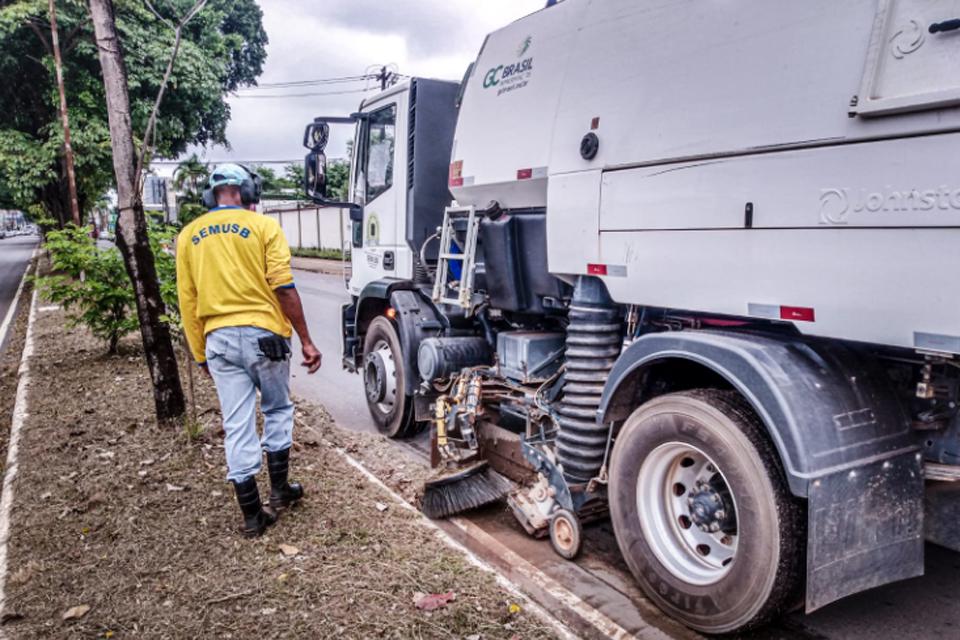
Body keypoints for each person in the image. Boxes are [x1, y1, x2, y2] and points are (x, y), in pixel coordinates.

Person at [176, 163, 322, 537]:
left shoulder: (188, 235)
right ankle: (280, 490)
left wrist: (199, 354)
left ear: (212, 195)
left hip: (218, 341)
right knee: (276, 409)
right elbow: (283, 287)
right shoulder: (264, 227)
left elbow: (188, 301)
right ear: (248, 191)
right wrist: (305, 339)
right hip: (266, 338)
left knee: (237, 423)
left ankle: (254, 515)